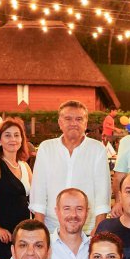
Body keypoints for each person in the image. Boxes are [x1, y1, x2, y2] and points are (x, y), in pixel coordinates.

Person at [30, 100, 110, 234]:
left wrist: (99, 228)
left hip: (87, 228)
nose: (73, 123)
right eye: (68, 119)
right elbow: (39, 189)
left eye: (79, 119)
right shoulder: (46, 148)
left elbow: (102, 191)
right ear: (60, 123)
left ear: (85, 123)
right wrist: (40, 229)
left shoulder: (97, 149)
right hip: (51, 227)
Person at [0, 118, 33, 259]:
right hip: (4, 233)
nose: (13, 139)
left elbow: (33, 198)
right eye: (7, 135)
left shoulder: (24, 166)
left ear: (21, 140)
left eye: (17, 135)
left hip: (24, 231)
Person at [47, 188, 94, 259]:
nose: (73, 214)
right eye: (67, 209)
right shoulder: (42, 246)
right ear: (57, 211)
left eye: (79, 209)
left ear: (87, 212)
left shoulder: (97, 248)